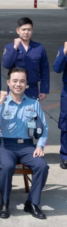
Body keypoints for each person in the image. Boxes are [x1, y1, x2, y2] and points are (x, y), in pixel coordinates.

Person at [0, 67, 49, 219]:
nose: (18, 84)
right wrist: (1, 103)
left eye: (22, 81)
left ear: (26, 84)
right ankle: (4, 203)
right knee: (7, 166)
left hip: (27, 146)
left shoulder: (33, 103)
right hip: (6, 146)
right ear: (8, 82)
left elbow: (44, 126)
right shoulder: (0, 102)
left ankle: (32, 203)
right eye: (15, 81)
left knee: (42, 166)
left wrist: (40, 145)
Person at [3, 17, 49, 100]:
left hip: (32, 89)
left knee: (32, 112)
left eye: (29, 29)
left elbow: (45, 70)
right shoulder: (10, 47)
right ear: (18, 30)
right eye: (23, 29)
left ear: (32, 30)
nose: (26, 32)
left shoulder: (39, 48)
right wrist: (15, 48)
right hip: (15, 89)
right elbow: (6, 64)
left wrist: (44, 90)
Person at [53, 41, 67, 169]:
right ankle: (65, 156)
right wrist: (64, 52)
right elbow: (57, 68)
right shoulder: (64, 49)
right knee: (66, 123)